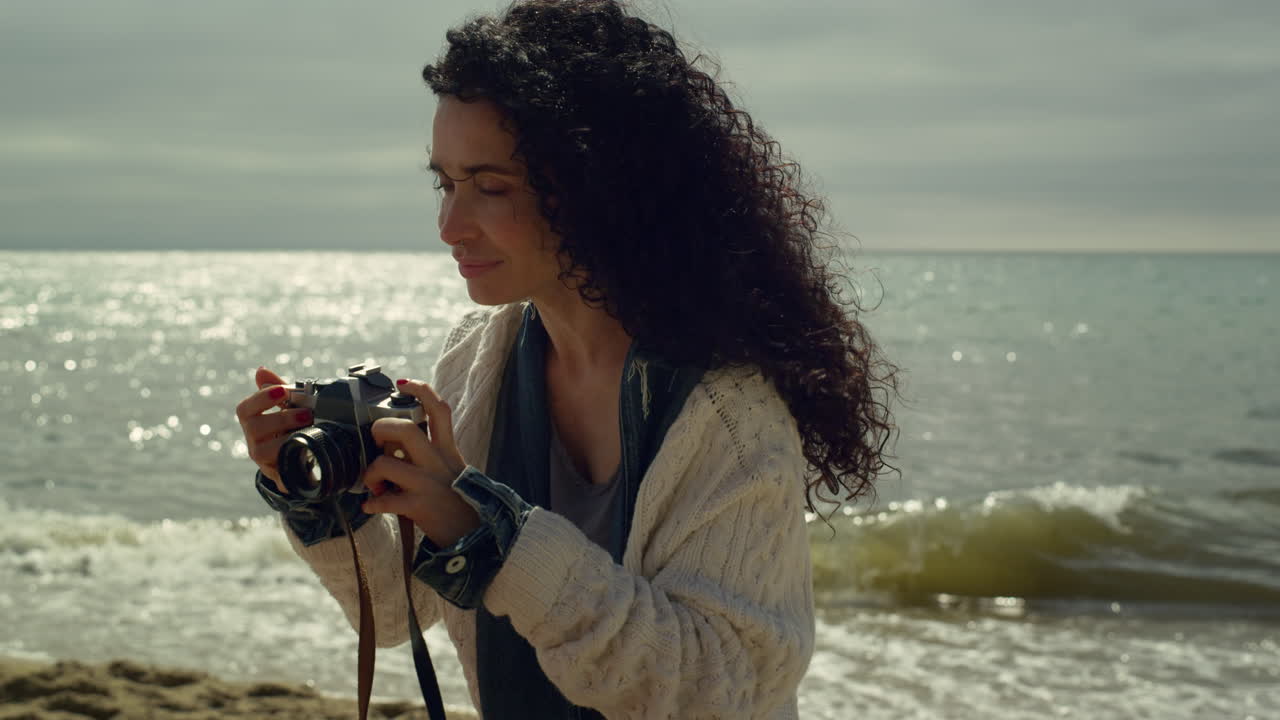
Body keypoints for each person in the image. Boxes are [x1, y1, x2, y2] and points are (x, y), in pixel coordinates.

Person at [235, 1, 897, 717]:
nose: (450, 226)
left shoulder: (727, 409)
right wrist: (322, 501)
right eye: (445, 183)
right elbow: (399, 613)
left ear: (599, 189)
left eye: (491, 187)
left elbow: (719, 689)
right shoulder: (480, 357)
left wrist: (496, 537)